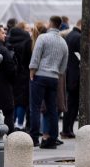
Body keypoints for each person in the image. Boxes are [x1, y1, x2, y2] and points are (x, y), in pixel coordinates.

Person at [28, 16, 68, 148]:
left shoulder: (42, 38)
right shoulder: (63, 43)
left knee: (35, 107)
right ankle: (52, 139)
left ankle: (34, 137)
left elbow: (36, 55)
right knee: (52, 109)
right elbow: (63, 66)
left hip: (40, 75)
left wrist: (32, 71)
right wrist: (56, 73)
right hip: (54, 78)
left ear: (50, 24)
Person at [6, 20, 32, 130]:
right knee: (22, 101)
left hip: (12, 75)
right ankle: (20, 124)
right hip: (24, 74)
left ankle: (13, 123)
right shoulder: (26, 42)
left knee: (14, 100)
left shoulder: (9, 42)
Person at [0, 24, 17, 133]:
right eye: (2, 33)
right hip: (4, 86)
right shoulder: (3, 50)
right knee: (8, 112)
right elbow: (11, 70)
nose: (5, 35)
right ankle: (11, 138)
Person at [61, 20, 83, 139]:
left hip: (69, 74)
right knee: (73, 105)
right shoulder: (79, 37)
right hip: (76, 75)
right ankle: (67, 129)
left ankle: (66, 129)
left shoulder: (69, 35)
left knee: (70, 103)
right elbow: (82, 55)